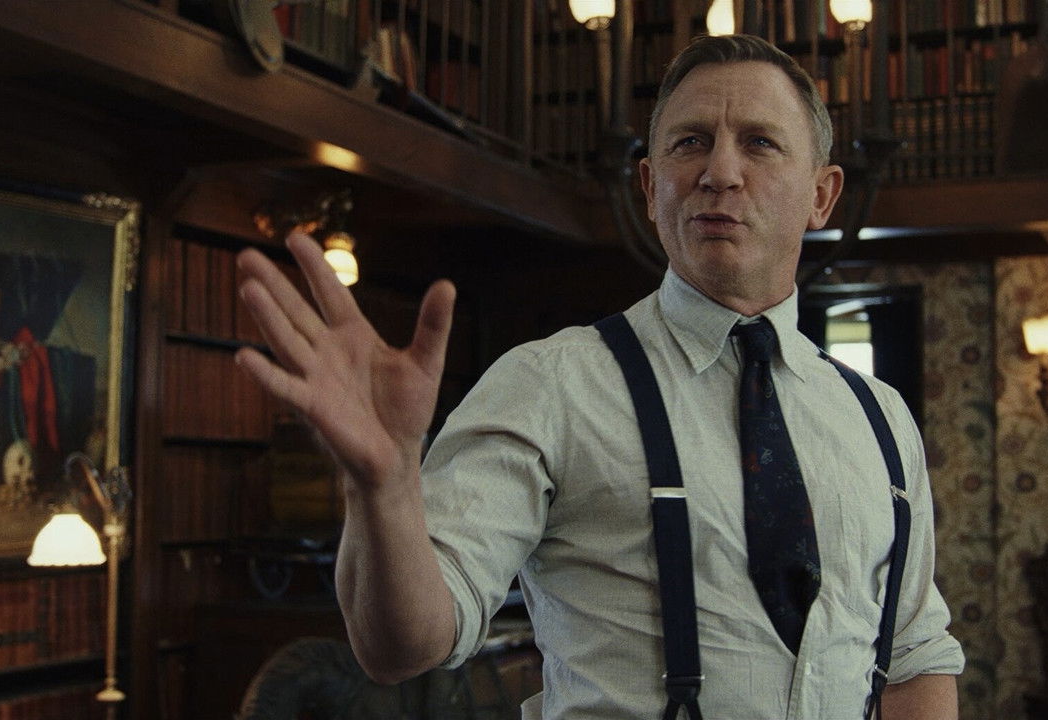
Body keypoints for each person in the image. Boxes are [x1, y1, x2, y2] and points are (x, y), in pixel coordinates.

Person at [235, 33, 963, 720]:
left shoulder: (880, 419)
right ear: (650, 185)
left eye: (760, 143)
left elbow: (915, 656)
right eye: (690, 142)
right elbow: (402, 646)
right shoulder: (550, 385)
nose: (719, 172)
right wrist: (384, 487)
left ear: (821, 196)